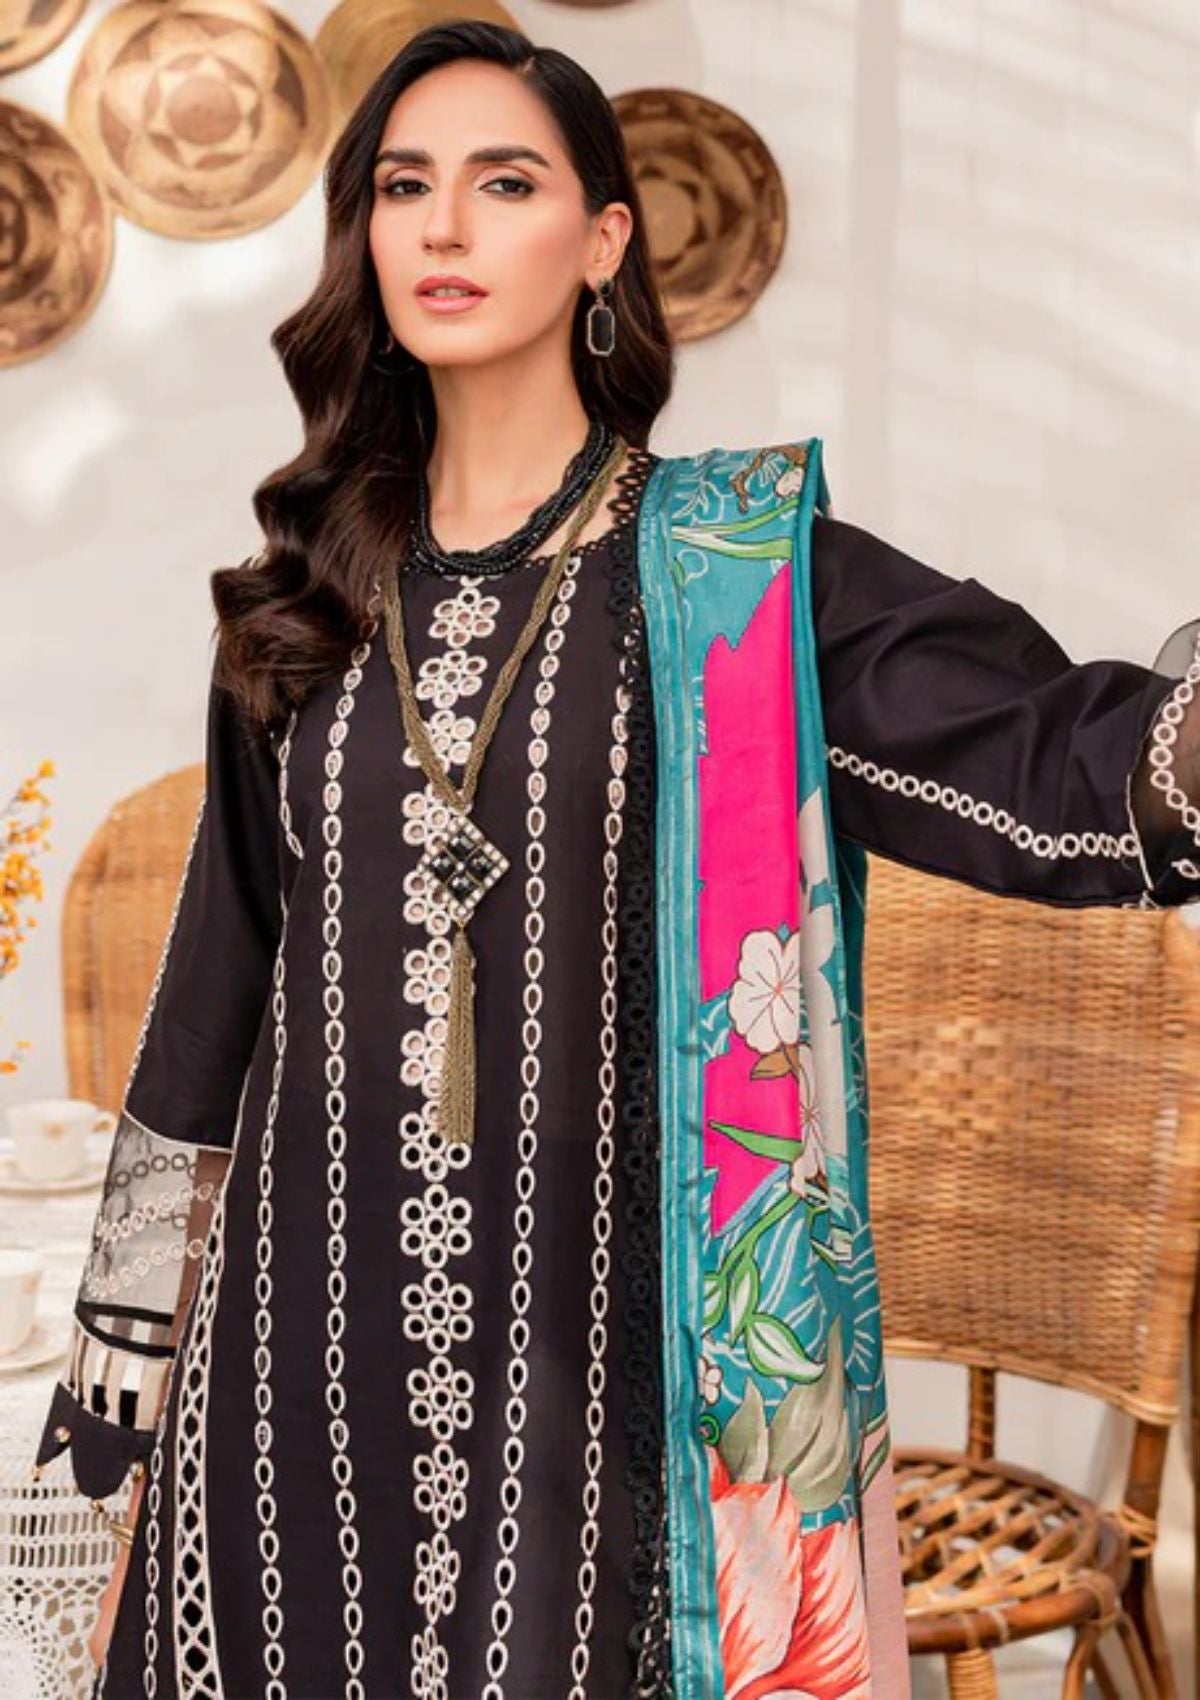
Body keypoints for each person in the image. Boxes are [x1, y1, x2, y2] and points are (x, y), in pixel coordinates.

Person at [31, 20, 1198, 1700]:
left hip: (606, 1396)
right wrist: (113, 1427)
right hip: (290, 1399)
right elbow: (209, 1016)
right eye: (404, 187)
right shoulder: (303, 601)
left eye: (504, 184)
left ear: (602, 240)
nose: (444, 226)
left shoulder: (732, 576)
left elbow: (1060, 761)